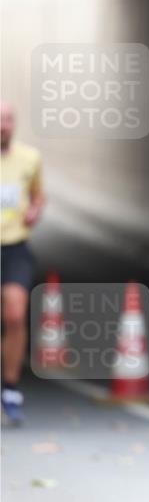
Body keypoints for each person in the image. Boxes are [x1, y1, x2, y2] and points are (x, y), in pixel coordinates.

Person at [1, 102, 45, 424]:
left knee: (15, 314)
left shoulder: (29, 158)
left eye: (8, 119)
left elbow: (38, 194)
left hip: (15, 245)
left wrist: (35, 210)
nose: (4, 125)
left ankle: (10, 387)